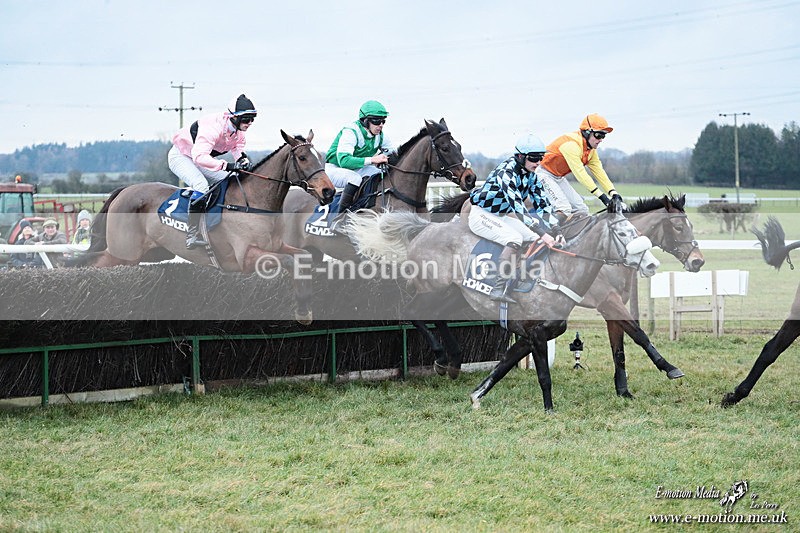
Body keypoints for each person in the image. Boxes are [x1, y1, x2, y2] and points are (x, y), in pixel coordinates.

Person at [468, 133, 563, 303]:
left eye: (541, 158)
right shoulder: (506, 172)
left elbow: (543, 204)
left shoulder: (531, 174)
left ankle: (519, 277)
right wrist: (544, 233)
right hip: (481, 215)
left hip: (500, 215)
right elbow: (519, 208)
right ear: (520, 157)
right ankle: (498, 288)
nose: (538, 162)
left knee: (534, 239)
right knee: (515, 238)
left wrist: (556, 229)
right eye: (534, 158)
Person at [168, 94, 257, 248]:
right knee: (201, 185)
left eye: (252, 119)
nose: (249, 123)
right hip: (182, 156)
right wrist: (227, 166)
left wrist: (243, 162)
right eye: (246, 119)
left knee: (232, 180)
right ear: (233, 117)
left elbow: (238, 150)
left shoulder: (239, 132)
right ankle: (192, 234)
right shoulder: (212, 128)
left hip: (201, 157)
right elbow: (199, 157)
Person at [536, 114, 624, 219]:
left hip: (558, 177)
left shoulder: (590, 151)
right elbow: (580, 173)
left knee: (582, 210)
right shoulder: (571, 145)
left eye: (603, 136)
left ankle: (570, 235)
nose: (601, 139)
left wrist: (613, 192)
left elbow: (599, 172)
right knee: (564, 208)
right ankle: (548, 234)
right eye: (598, 135)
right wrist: (602, 197)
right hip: (543, 174)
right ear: (587, 133)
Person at [325, 100, 396, 216]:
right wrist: (373, 160)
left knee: (380, 173)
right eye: (377, 121)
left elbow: (394, 155)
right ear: (365, 120)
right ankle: (340, 217)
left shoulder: (380, 136)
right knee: (355, 179)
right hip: (335, 169)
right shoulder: (351, 131)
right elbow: (345, 161)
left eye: (383, 121)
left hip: (357, 169)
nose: (381, 125)